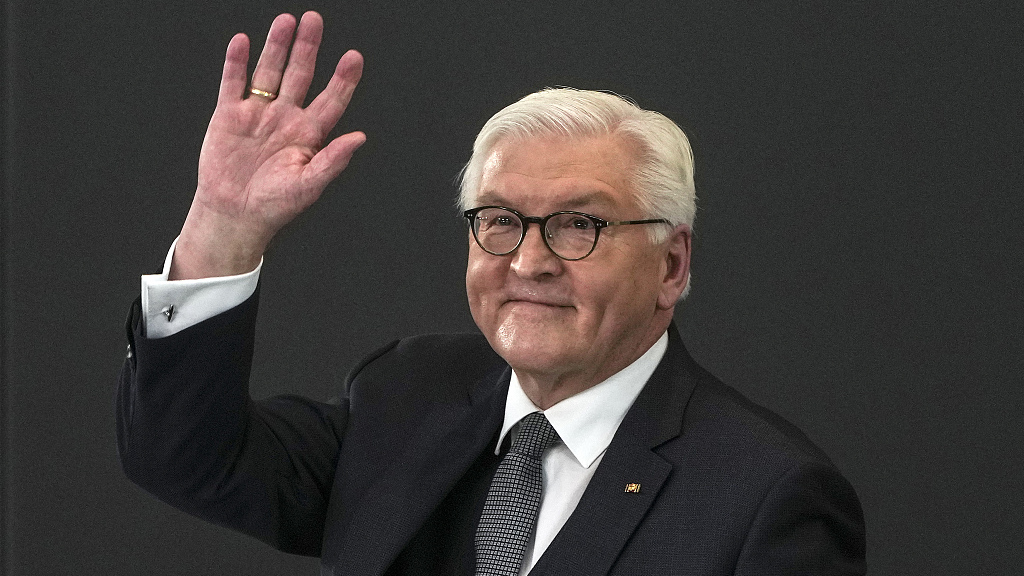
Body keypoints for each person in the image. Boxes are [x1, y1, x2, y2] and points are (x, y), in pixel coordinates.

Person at [117, 11, 866, 575]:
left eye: (580, 225)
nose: (530, 261)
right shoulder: (406, 397)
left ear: (671, 265)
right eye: (501, 221)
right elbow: (185, 457)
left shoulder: (767, 498)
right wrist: (223, 228)